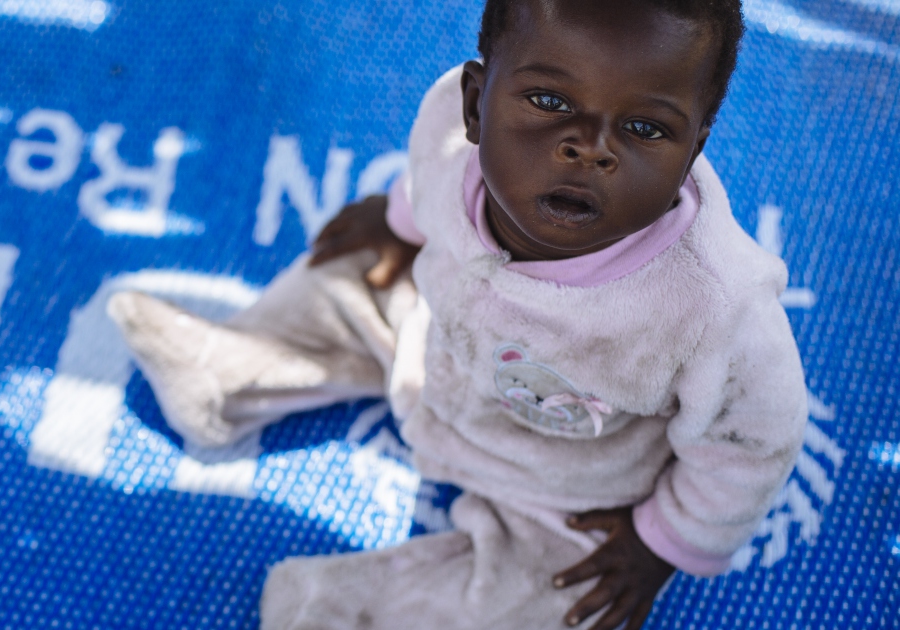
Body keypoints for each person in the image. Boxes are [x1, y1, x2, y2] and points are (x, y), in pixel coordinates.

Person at [106, 0, 808, 628]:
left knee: (566, 600)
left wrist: (666, 539)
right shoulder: (448, 128)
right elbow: (428, 171)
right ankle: (227, 375)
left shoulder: (711, 310)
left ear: (697, 145)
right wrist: (400, 218)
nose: (590, 148)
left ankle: (341, 612)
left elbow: (753, 443)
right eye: (546, 99)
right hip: (431, 344)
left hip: (567, 484)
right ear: (476, 103)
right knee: (358, 267)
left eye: (646, 128)